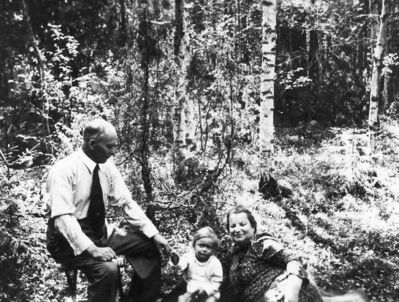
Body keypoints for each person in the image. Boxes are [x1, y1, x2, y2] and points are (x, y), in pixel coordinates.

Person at [45, 118, 171, 302]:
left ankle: (139, 299)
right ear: (92, 143)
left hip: (100, 232)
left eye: (115, 146)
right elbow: (63, 219)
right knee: (108, 271)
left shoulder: (107, 167)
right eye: (109, 147)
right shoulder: (63, 170)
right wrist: (92, 249)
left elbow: (126, 202)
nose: (113, 152)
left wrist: (154, 234)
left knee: (149, 246)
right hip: (66, 242)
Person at [223, 205, 322, 302]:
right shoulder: (234, 255)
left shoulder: (261, 243)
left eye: (242, 224)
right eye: (232, 226)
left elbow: (293, 260)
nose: (237, 229)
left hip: (288, 293)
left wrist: (292, 293)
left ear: (253, 227)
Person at [165, 227, 223, 302]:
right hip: (189, 286)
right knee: (178, 298)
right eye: (201, 245)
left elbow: (217, 281)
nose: (204, 249)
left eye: (208, 247)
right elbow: (181, 266)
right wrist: (176, 262)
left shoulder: (215, 263)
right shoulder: (189, 256)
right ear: (194, 245)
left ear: (213, 249)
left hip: (207, 289)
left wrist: (207, 291)